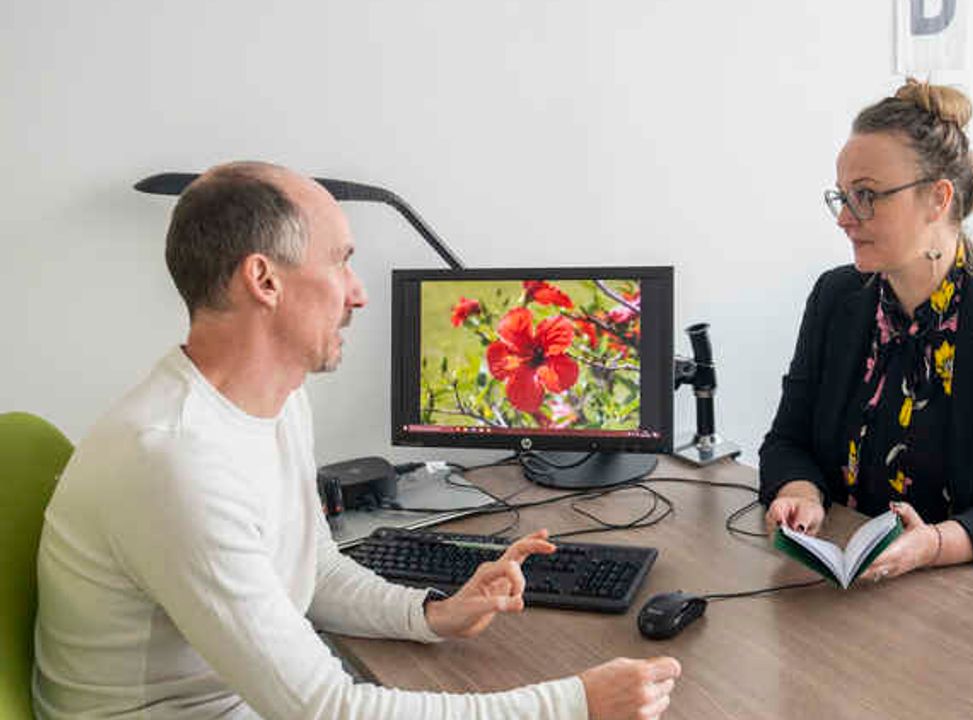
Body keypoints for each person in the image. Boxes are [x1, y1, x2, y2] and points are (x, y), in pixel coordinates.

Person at [33, 161, 681, 719]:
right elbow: (327, 709)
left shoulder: (278, 401)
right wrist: (573, 705)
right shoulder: (174, 459)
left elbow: (310, 568)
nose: (359, 293)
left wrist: (430, 614)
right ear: (264, 280)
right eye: (341, 261)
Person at [759, 80, 973, 601]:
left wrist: (934, 544)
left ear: (938, 197)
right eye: (842, 197)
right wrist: (801, 492)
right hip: (864, 586)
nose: (845, 218)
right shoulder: (836, 298)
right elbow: (788, 439)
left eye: (866, 196)